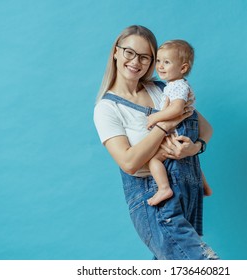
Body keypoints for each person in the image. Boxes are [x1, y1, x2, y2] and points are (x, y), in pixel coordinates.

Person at [94, 25, 219, 260]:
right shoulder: (107, 108)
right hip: (152, 195)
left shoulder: (164, 88)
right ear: (116, 52)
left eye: (144, 57)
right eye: (129, 52)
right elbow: (129, 163)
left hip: (186, 188)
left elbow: (206, 128)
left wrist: (194, 148)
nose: (135, 62)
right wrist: (163, 126)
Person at [146, 39, 213, 206]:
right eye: (159, 61)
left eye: (166, 62)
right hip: (186, 127)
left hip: (180, 128)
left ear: (183, 68)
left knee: (154, 160)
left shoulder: (177, 86)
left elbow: (176, 110)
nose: (160, 66)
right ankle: (204, 186)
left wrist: (156, 117)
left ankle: (163, 188)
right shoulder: (174, 85)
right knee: (189, 158)